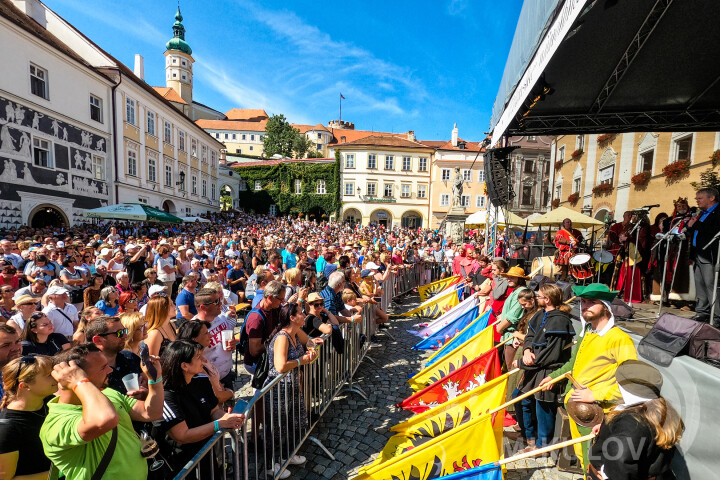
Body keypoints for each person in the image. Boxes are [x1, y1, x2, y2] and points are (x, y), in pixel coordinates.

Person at [539, 283, 637, 473]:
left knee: (594, 465)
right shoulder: (588, 333)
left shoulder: (619, 339)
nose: (585, 306)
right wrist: (553, 376)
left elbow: (632, 382)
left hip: (598, 414)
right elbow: (573, 366)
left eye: (592, 302)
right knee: (583, 459)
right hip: (577, 410)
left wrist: (596, 394)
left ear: (605, 306)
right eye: (583, 302)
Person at [40, 343, 163, 479]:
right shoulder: (56, 423)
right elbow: (106, 420)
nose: (110, 370)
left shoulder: (108, 393)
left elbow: (151, 413)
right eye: (103, 367)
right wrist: (79, 382)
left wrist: (155, 379)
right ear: (77, 376)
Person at [153, 340, 245, 473]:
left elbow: (213, 411)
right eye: (197, 356)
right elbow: (181, 435)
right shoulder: (166, 395)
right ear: (184, 366)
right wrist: (220, 424)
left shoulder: (201, 380)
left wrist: (229, 418)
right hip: (182, 462)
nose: (203, 359)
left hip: (206, 451)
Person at [587, 360, 684, 480]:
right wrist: (606, 429)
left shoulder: (632, 423)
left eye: (619, 383)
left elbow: (621, 457)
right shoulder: (662, 409)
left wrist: (607, 473)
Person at [263, 303, 319, 477]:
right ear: (292, 318)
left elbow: (308, 341)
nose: (304, 315)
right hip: (277, 389)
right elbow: (280, 366)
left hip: (292, 386)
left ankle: (288, 456)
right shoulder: (282, 337)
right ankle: (272, 465)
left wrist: (312, 349)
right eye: (301, 313)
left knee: (291, 422)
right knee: (277, 427)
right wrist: (303, 360)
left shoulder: (295, 333)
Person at [518, 284, 575, 449]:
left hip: (548, 370)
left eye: (539, 296)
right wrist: (527, 351)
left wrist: (522, 362)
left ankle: (542, 446)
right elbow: (530, 334)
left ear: (547, 299)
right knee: (521, 398)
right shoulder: (541, 314)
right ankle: (528, 435)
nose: (536, 298)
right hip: (534, 366)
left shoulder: (559, 321)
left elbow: (550, 354)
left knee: (544, 408)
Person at [0, 355, 57, 480]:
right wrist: (60, 472)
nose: (56, 377)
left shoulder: (51, 403)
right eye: (49, 375)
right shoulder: (6, 427)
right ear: (24, 386)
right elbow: (6, 478)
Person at [686, 187, 720, 326]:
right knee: (700, 285)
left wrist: (696, 224)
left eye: (700, 198)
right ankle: (702, 312)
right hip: (698, 254)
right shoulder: (701, 213)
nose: (697, 201)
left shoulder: (717, 212)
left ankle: (717, 316)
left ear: (711, 198)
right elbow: (695, 229)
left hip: (710, 255)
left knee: (711, 286)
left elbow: (712, 230)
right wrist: (689, 226)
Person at [192, 287, 237, 390]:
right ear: (203, 307)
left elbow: (230, 338)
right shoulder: (194, 329)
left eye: (220, 300)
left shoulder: (222, 318)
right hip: (208, 383)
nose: (220, 304)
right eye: (216, 302)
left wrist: (232, 343)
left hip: (227, 374)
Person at [242, 280, 284, 374]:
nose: (282, 302)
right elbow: (255, 350)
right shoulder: (256, 318)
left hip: (267, 358)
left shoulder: (275, 308)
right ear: (270, 298)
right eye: (280, 299)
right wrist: (278, 342)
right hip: (256, 363)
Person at [494, 266, 530, 368]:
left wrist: (500, 328)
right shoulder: (515, 291)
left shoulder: (521, 292)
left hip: (513, 336)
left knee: (511, 368)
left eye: (512, 277)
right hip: (508, 336)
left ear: (520, 279)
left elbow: (512, 316)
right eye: (508, 277)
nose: (509, 279)